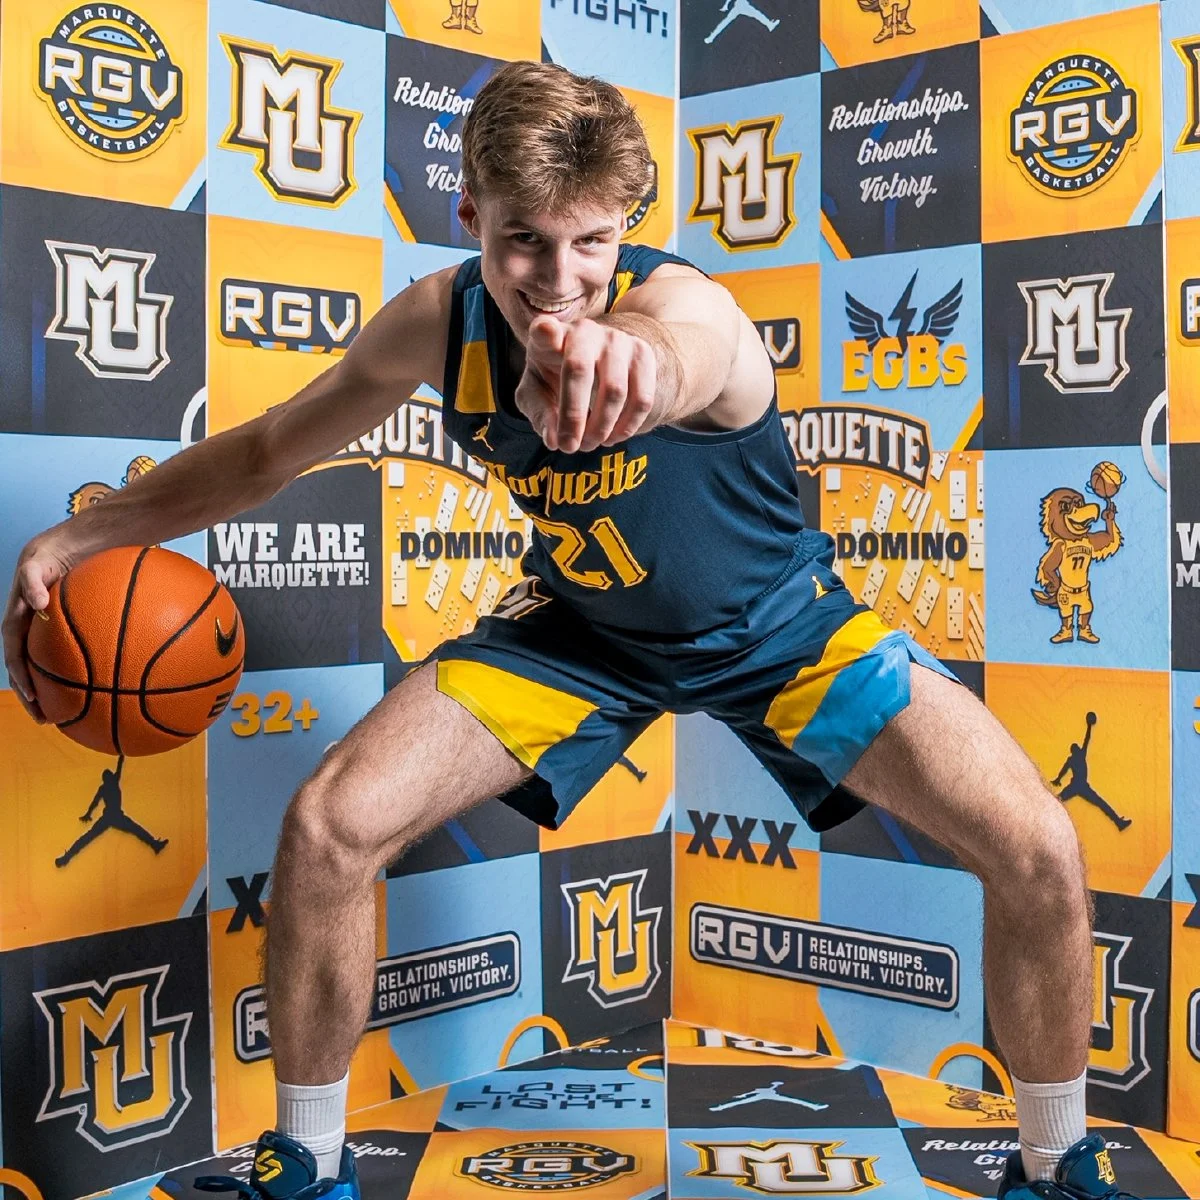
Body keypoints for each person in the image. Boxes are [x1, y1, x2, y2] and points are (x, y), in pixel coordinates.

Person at [3, 61, 1130, 1200]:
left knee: (1037, 847)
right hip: (578, 636)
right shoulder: (438, 323)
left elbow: (675, 349)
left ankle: (1055, 1164)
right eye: (524, 242)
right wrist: (78, 537)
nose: (558, 280)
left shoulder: (691, 311)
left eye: (591, 242)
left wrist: (626, 362)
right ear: (470, 215)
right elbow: (261, 453)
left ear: (626, 222)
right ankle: (305, 1162)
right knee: (329, 824)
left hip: (779, 629)